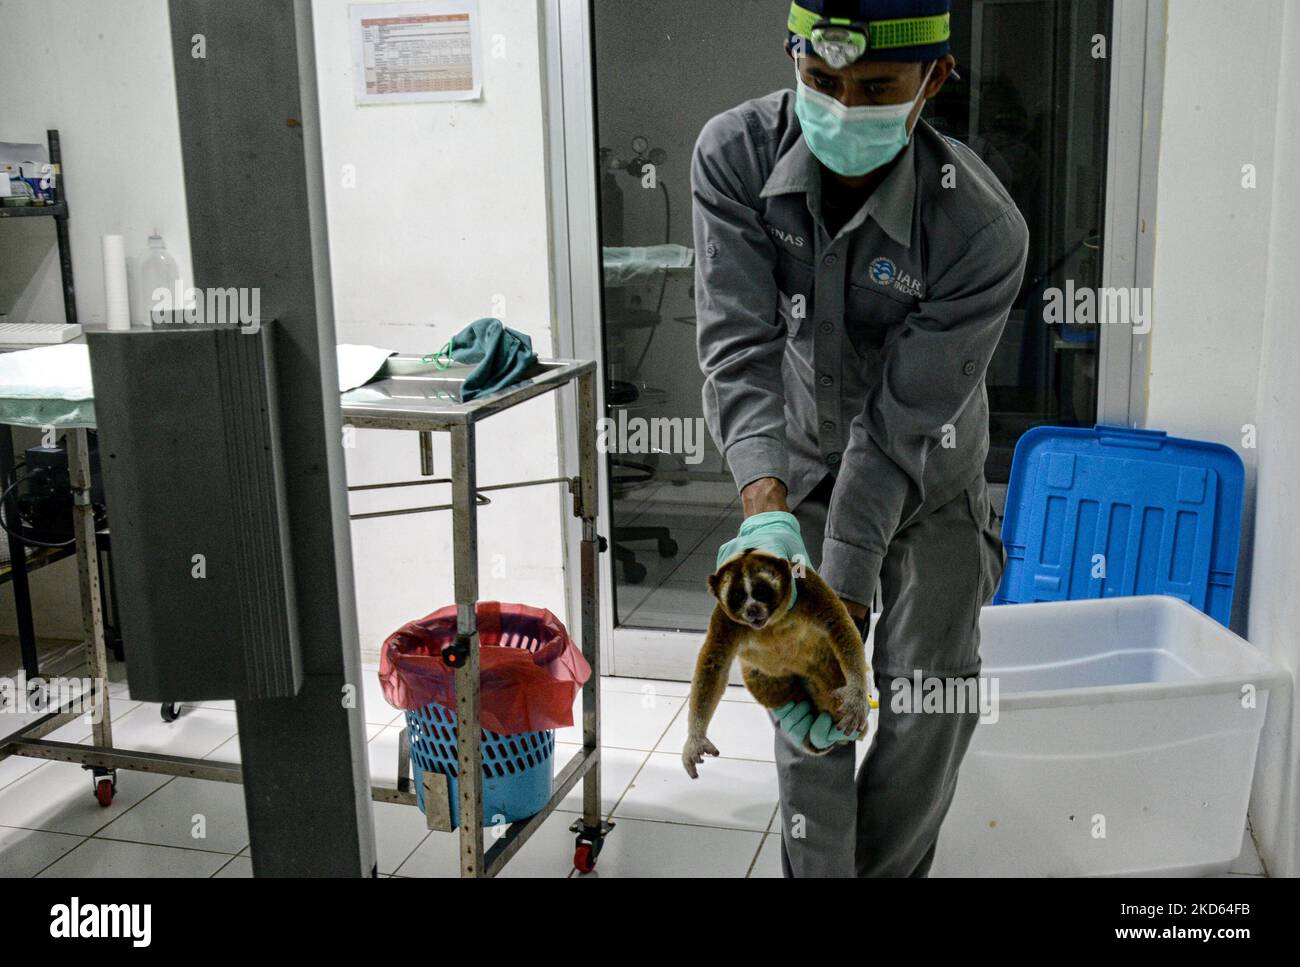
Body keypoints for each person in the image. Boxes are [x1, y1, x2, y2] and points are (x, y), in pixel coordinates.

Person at [695, 0, 1029, 877]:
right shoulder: (733, 159)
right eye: (820, 81)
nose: (842, 108)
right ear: (791, 57)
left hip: (930, 473)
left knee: (929, 706)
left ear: (934, 81)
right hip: (797, 465)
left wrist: (838, 598)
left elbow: (897, 430)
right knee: (807, 703)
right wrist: (763, 511)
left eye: (876, 87)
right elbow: (738, 347)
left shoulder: (980, 231)